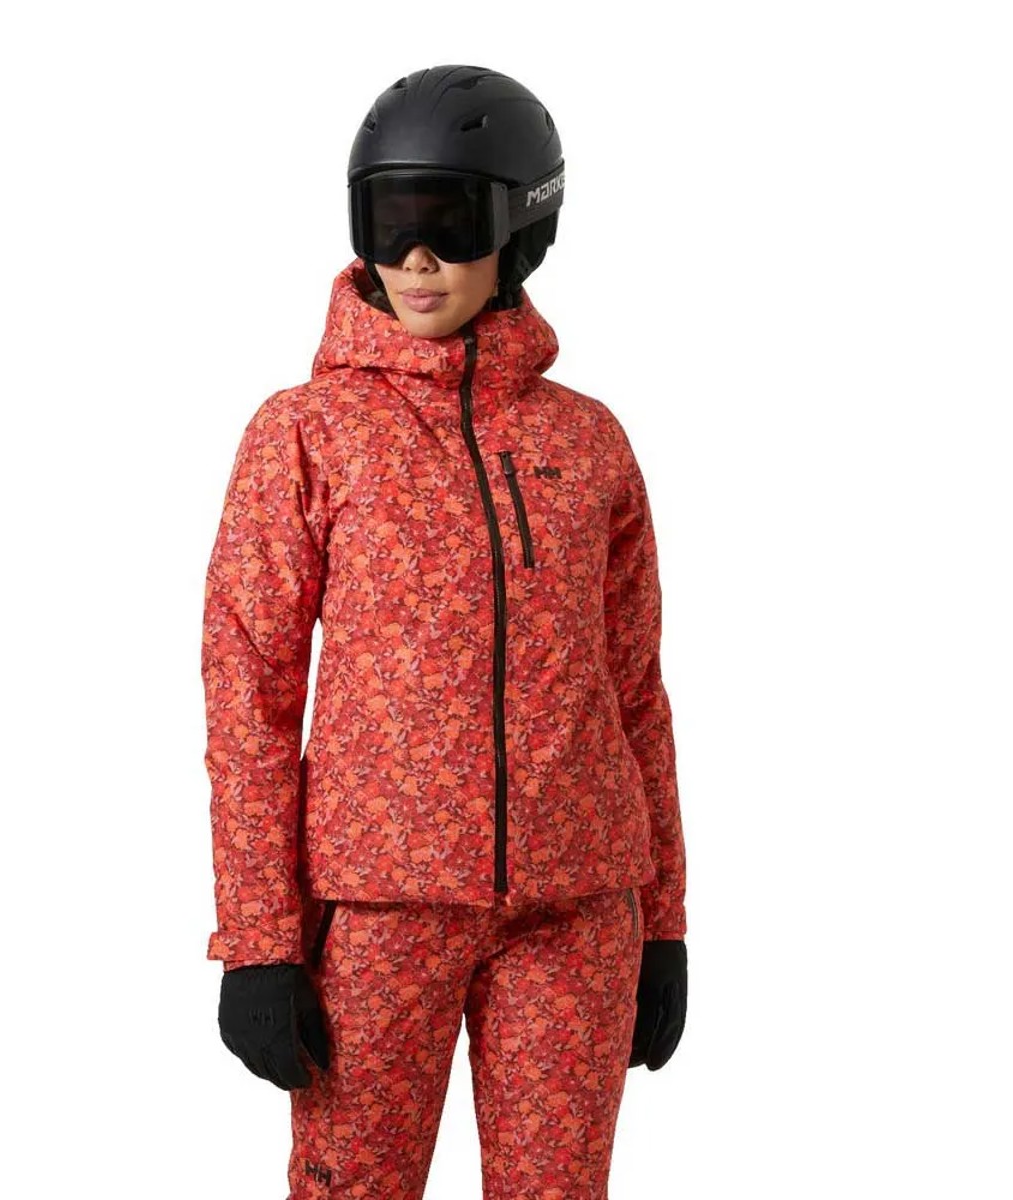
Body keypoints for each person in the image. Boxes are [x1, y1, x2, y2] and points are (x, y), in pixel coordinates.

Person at [203, 64, 688, 1200]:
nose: (415, 259)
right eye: (389, 224)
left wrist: (663, 918)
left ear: (522, 229)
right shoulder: (306, 434)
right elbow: (249, 693)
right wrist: (260, 939)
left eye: (449, 223)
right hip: (378, 911)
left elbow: (636, 690)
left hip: (578, 909)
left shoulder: (590, 443)